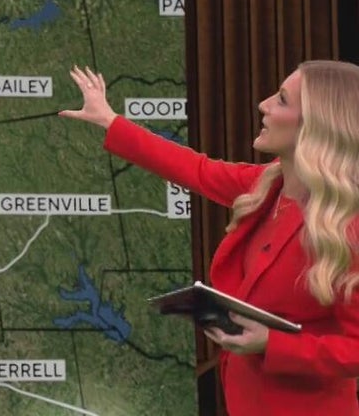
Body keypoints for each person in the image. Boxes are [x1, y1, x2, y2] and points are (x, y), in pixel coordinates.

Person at [60, 61, 359, 415]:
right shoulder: (266, 186)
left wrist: (273, 344)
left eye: (281, 100)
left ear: (317, 126)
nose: (263, 105)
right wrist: (110, 120)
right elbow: (195, 169)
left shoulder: (346, 226)